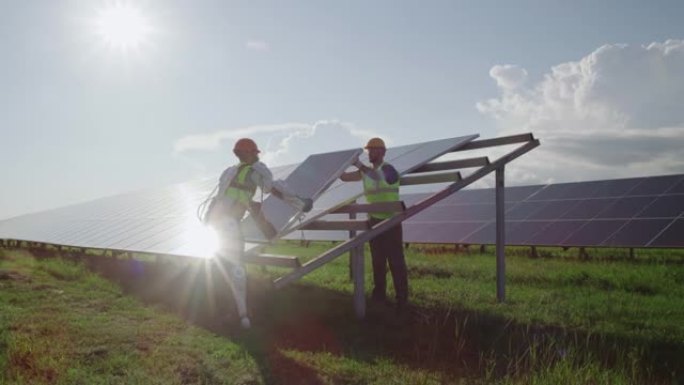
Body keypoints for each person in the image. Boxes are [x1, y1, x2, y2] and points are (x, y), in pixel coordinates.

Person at [201, 138, 312, 328]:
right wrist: (300, 204)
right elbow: (273, 189)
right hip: (229, 225)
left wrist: (263, 222)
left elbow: (232, 198)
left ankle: (220, 310)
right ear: (247, 153)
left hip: (218, 224)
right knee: (236, 268)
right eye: (253, 152)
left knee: (220, 265)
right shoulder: (255, 170)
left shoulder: (230, 172)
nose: (256, 156)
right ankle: (241, 315)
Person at [340, 137, 408, 313]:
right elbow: (345, 177)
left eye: (374, 150)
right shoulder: (365, 172)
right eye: (369, 150)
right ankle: (379, 297)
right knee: (377, 261)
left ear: (383, 152)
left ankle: (402, 301)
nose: (370, 153)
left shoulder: (388, 169)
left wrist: (359, 165)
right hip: (374, 220)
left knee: (396, 262)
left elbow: (379, 177)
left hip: (391, 221)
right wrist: (338, 165)